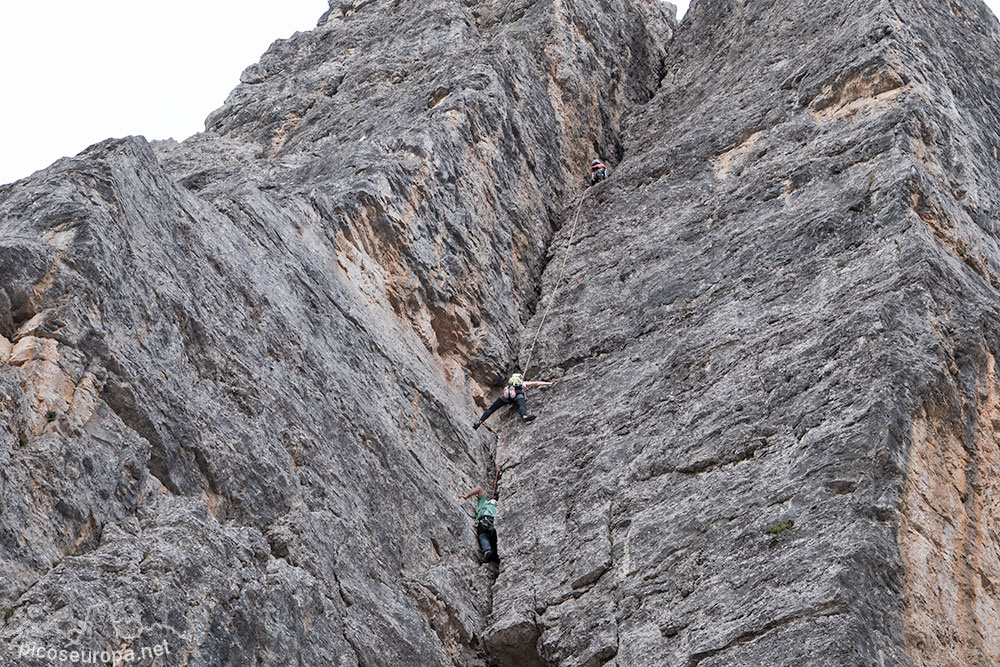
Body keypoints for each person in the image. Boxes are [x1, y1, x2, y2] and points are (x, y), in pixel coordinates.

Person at [472, 373, 556, 429]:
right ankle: (524, 416)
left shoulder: (509, 385)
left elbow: (492, 408)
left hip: (505, 397)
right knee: (521, 405)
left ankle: (480, 421)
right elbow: (537, 383)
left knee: (492, 409)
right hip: (517, 395)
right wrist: (550, 383)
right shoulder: (523, 383)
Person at [458, 486, 498, 562]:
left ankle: (487, 550)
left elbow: (479, 488)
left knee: (483, 535)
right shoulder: (496, 509)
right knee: (492, 538)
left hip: (483, 520)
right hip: (492, 523)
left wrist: (466, 496)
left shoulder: (484, 503)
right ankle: (494, 556)